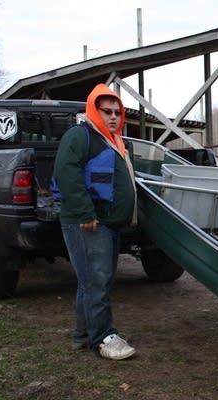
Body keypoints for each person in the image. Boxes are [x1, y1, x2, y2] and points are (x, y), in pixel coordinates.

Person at [52, 83, 137, 360]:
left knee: (92, 281)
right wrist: (85, 212)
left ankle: (83, 335)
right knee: (96, 281)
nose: (113, 117)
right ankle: (103, 337)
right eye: (107, 111)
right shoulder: (81, 135)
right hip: (89, 223)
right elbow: (66, 172)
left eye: (117, 112)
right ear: (93, 110)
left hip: (107, 223)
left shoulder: (114, 141)